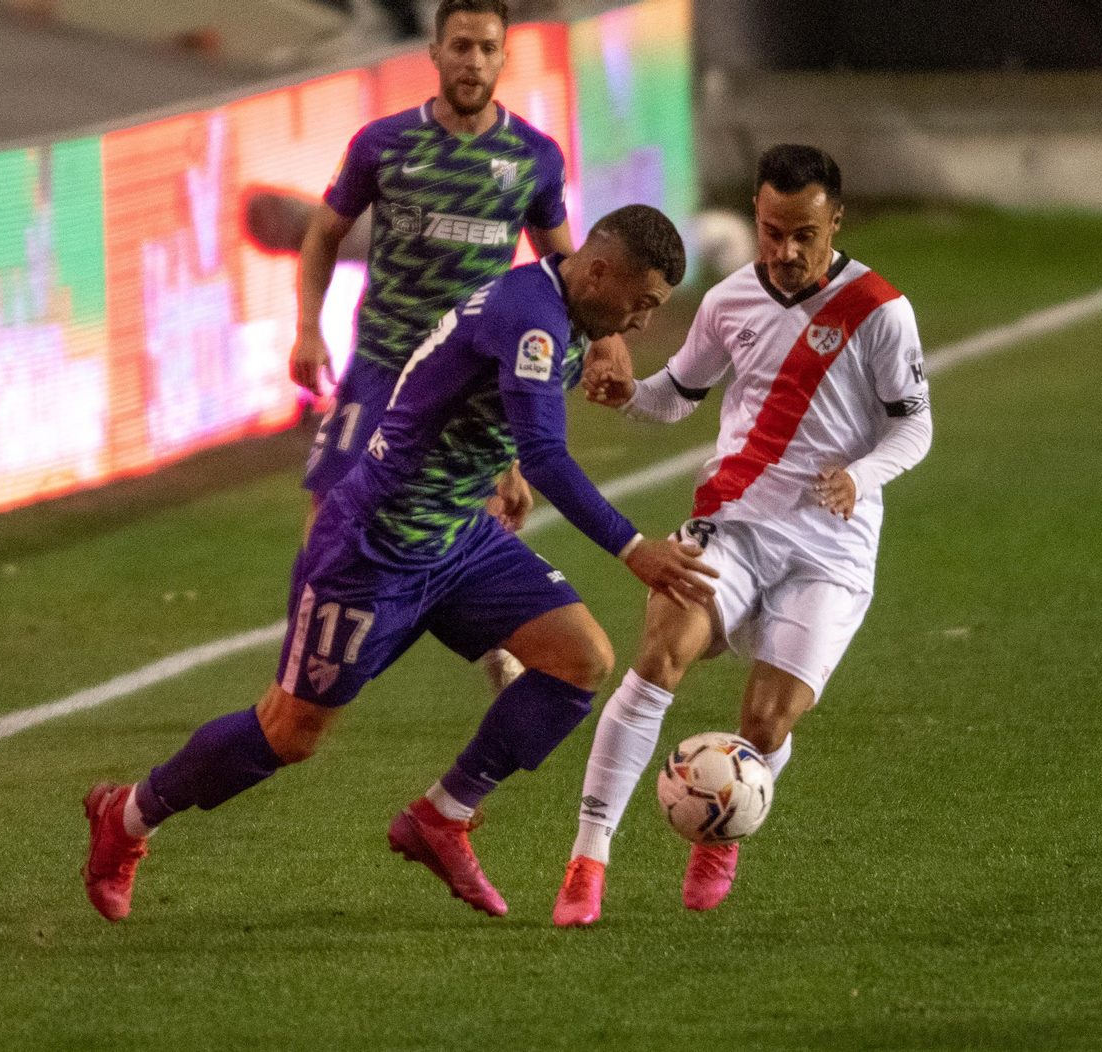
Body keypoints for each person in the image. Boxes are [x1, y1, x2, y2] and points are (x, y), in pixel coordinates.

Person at [82, 205, 716, 922]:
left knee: (580, 661)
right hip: (373, 549)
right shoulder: (534, 318)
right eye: (642, 303)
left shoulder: (560, 309)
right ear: (600, 271)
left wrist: (497, 462)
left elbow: (460, 379)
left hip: (457, 536)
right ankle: (129, 816)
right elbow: (548, 451)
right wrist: (636, 549)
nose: (640, 323)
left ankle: (442, 816)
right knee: (288, 733)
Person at [552, 145, 934, 927]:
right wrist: (629, 396)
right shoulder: (728, 301)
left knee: (766, 721)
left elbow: (916, 427)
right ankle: (588, 859)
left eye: (804, 235)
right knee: (659, 658)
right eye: (770, 232)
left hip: (830, 545)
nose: (785, 252)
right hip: (732, 524)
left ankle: (721, 830)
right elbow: (677, 396)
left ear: (835, 221)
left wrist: (861, 476)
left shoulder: (881, 312)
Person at [291, 0, 628, 689]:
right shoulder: (382, 144)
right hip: (383, 364)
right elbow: (324, 233)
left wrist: (607, 339)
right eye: (461, 46)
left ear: (505, 58)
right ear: (435, 54)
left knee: (457, 515)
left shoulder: (532, 158)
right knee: (330, 502)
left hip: (469, 376)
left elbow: (567, 265)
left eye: (486, 49)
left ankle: (481, 635)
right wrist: (305, 328)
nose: (473, 61)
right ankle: (309, 664)